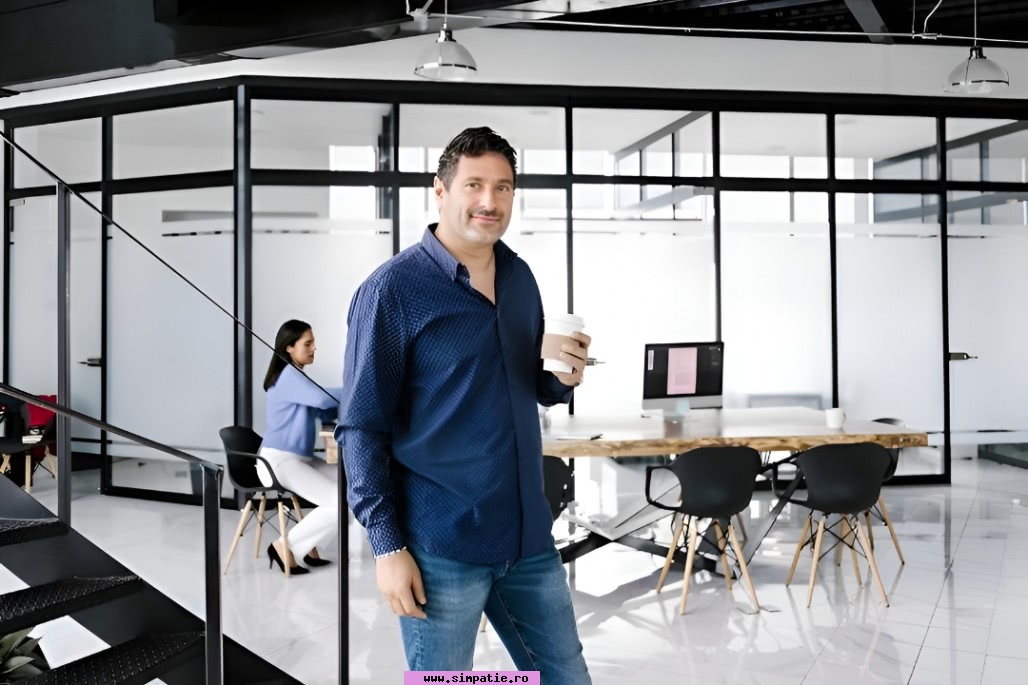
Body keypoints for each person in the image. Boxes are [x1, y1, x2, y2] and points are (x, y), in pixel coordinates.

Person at [337, 127, 592, 682]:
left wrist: (562, 378)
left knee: (567, 677)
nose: (489, 201)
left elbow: (525, 384)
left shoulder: (519, 277)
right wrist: (387, 547)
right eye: (474, 184)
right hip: (441, 543)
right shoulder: (391, 291)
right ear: (440, 190)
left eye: (503, 188)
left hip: (527, 536)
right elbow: (360, 428)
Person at [259, 319, 342, 576]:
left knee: (349, 488)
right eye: (308, 343)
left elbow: (325, 410)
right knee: (339, 502)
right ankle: (285, 547)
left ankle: (305, 546)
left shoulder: (297, 377)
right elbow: (323, 399)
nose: (314, 348)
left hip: (300, 460)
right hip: (279, 462)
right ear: (289, 347)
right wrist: (359, 388)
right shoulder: (288, 375)